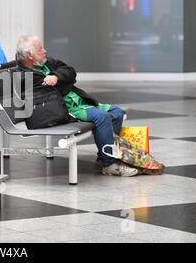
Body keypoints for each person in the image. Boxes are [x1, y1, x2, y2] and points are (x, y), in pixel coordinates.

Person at [15, 35, 138, 177]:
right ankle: (110, 164)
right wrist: (64, 80)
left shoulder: (46, 62)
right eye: (40, 49)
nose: (45, 51)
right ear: (29, 55)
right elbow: (54, 92)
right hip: (63, 109)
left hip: (77, 101)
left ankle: (103, 158)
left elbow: (70, 72)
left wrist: (57, 77)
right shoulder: (25, 76)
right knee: (102, 117)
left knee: (117, 112)